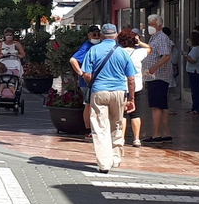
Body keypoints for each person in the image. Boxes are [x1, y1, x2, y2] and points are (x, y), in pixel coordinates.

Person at [73, 23, 139, 173]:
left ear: (102, 36)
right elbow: (131, 79)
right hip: (119, 92)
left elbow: (86, 74)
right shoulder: (122, 52)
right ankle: (116, 158)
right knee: (117, 124)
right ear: (116, 35)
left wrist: (92, 84)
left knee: (100, 126)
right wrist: (131, 99)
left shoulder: (93, 50)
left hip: (99, 91)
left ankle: (104, 163)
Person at [140, 19, 174, 144]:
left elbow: (166, 56)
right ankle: (166, 134)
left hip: (158, 77)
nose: (150, 27)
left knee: (157, 106)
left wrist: (153, 68)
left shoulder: (161, 38)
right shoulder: (155, 38)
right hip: (156, 77)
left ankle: (157, 135)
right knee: (162, 105)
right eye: (149, 24)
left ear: (159, 25)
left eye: (153, 24)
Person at [117, 28, 148, 146]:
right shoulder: (139, 53)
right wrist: (139, 42)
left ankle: (121, 138)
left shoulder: (118, 53)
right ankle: (136, 139)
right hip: (136, 86)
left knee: (123, 114)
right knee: (135, 113)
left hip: (121, 86)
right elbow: (149, 48)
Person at [185, 30, 199, 115]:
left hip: (194, 72)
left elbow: (192, 60)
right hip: (196, 71)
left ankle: (197, 108)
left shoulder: (196, 49)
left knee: (196, 91)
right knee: (197, 90)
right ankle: (196, 107)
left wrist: (185, 55)